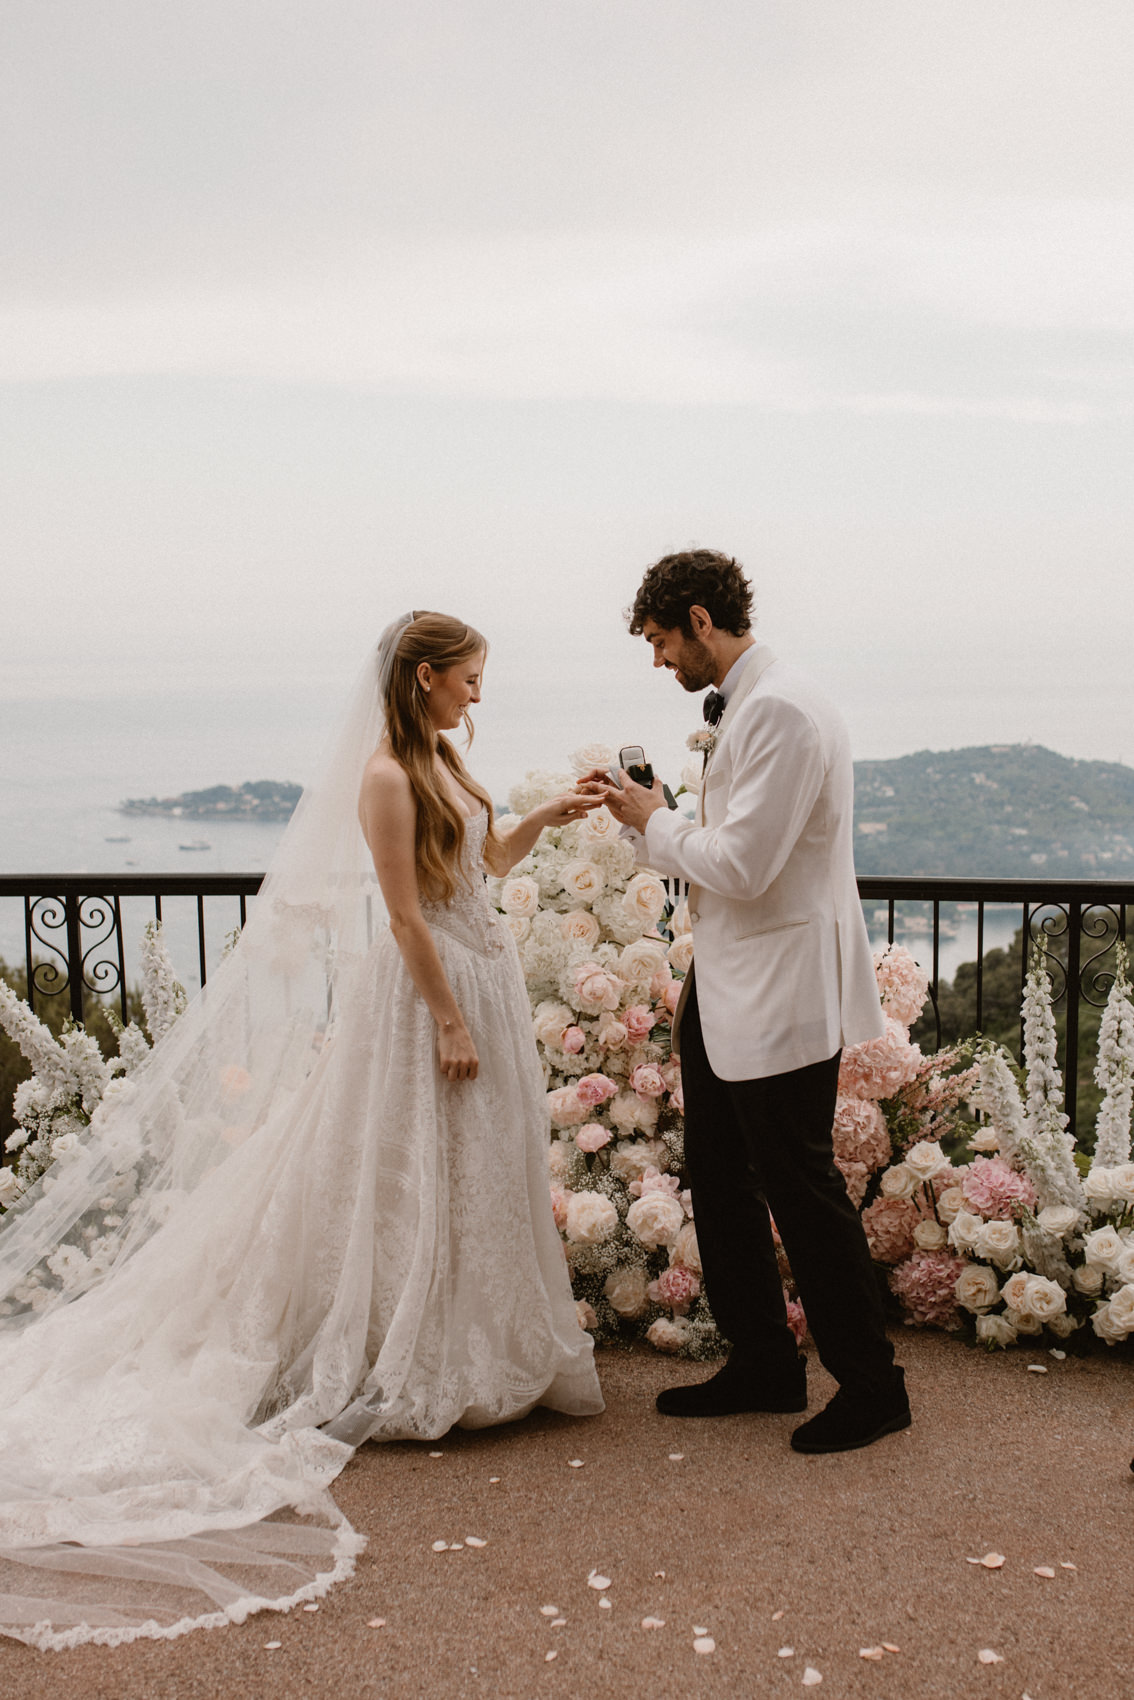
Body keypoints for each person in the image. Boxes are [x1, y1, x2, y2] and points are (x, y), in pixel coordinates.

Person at [0, 611, 603, 1649]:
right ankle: (397, 1349)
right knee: (409, 1167)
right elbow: (408, 916)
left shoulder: (449, 756)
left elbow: (488, 858)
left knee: (479, 1169)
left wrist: (552, 808)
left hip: (484, 975)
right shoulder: (382, 778)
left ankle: (471, 1338)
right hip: (430, 996)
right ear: (422, 677)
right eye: (467, 678)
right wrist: (450, 1016)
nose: (477, 695)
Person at [595, 549, 910, 1454]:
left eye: (659, 640)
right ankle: (764, 1362)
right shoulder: (761, 702)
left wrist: (648, 821)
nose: (659, 661)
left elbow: (742, 864)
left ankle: (874, 1385)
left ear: (699, 618)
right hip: (728, 984)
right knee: (722, 1177)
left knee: (803, 1189)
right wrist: (657, 812)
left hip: (777, 989)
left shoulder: (780, 709)